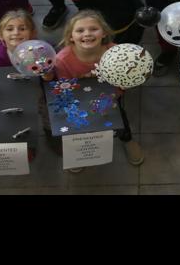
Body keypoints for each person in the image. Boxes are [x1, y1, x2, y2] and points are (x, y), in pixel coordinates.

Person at [53, 9, 144, 167]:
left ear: (103, 33)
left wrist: (122, 85)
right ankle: (78, 152)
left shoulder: (114, 52)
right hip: (77, 98)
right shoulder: (62, 59)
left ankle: (127, 139)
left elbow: (123, 77)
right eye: (80, 30)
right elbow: (64, 85)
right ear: (70, 37)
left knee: (120, 120)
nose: (87, 34)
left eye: (93, 29)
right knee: (78, 125)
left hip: (111, 96)